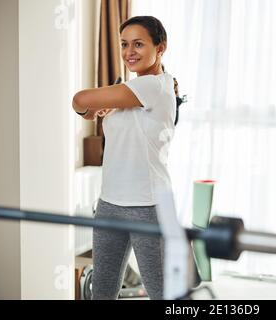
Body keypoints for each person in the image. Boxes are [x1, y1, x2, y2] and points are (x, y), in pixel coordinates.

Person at [72, 15, 199, 300]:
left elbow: (80, 100)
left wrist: (91, 109)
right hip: (109, 202)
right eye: (124, 44)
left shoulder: (153, 86)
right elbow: (88, 108)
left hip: (149, 205)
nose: (129, 52)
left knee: (161, 292)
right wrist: (95, 109)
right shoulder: (129, 94)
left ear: (160, 47)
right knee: (102, 289)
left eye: (139, 44)